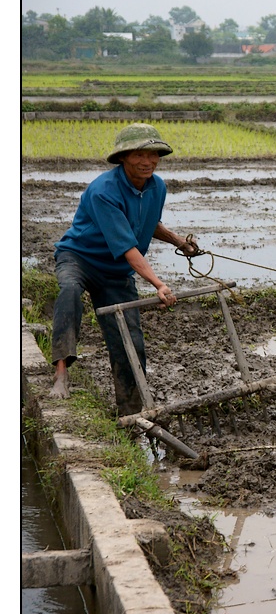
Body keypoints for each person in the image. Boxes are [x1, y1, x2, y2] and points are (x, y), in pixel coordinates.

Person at [49, 123, 199, 415]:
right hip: (80, 258)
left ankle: (130, 413)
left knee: (130, 342)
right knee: (69, 290)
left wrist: (179, 242)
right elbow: (129, 248)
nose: (147, 162)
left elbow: (146, 223)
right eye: (139, 155)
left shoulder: (157, 187)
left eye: (153, 155)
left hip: (115, 272)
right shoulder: (103, 191)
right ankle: (61, 372)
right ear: (122, 158)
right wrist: (158, 284)